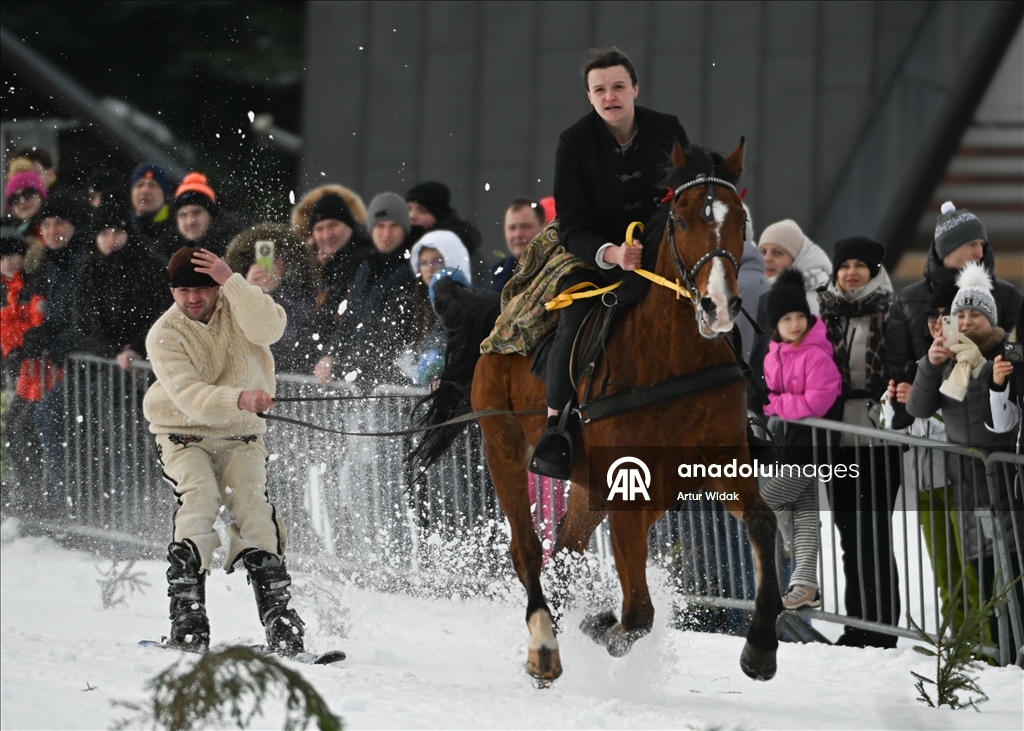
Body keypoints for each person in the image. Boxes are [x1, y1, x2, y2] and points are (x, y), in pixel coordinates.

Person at [530, 46, 689, 478]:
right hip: (596, 258)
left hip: (663, 255)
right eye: (599, 89)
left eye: (618, 86)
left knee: (709, 304)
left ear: (635, 89)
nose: (610, 96)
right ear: (589, 96)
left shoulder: (668, 129)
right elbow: (571, 226)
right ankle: (556, 428)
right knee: (575, 313)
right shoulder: (573, 143)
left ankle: (746, 414)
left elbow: (686, 195)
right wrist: (613, 253)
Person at [143, 246, 306, 654]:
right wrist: (239, 398)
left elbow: (270, 330)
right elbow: (192, 397)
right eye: (182, 291)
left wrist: (232, 279)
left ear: (216, 286)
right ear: (172, 291)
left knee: (254, 508)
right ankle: (188, 621)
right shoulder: (164, 335)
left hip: (242, 434)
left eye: (201, 289)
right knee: (199, 498)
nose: (192, 299)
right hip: (182, 432)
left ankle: (281, 623)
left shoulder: (237, 303)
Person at [907, 262, 1023, 635]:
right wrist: (929, 363)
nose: (968, 320)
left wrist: (999, 383)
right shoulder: (947, 363)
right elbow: (918, 409)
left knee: (1013, 574)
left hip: (1004, 479)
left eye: (976, 313)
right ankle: (997, 656)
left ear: (991, 320)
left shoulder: (1006, 357)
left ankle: (1013, 656)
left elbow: (1005, 421)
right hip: (967, 484)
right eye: (961, 314)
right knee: (984, 573)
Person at [883, 277, 983, 636]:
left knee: (975, 573)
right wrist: (899, 405)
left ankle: (988, 653)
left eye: (947, 314)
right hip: (925, 483)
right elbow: (894, 429)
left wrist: (921, 406)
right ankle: (958, 649)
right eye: (931, 316)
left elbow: (966, 424)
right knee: (946, 576)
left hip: (963, 482)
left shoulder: (973, 360)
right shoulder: (919, 362)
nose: (939, 322)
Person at [817, 236, 901, 648]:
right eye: (844, 264)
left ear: (873, 270)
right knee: (849, 533)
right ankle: (857, 624)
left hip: (879, 435)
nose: (851, 272)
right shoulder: (821, 312)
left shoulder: (892, 311)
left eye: (860, 265)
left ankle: (883, 626)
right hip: (837, 437)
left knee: (876, 532)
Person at [885, 201, 1022, 410]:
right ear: (948, 248)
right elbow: (895, 368)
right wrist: (913, 390)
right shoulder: (906, 299)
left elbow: (1018, 357)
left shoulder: (1008, 295)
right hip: (925, 424)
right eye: (972, 245)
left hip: (993, 420)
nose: (980, 253)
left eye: (981, 245)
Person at [760, 268, 842, 610]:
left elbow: (817, 400)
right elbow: (766, 393)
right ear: (775, 325)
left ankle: (794, 546)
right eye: (786, 319)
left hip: (812, 445)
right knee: (804, 509)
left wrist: (777, 406)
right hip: (789, 443)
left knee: (766, 496)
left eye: (799, 316)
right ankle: (806, 584)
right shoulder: (773, 355)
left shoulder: (816, 353)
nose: (795, 324)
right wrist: (773, 407)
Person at [19, 193, 90, 511]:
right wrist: (38, 336)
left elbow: (83, 319)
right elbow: (53, 315)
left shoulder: (83, 261)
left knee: (49, 417)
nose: (52, 229)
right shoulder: (49, 264)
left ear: (75, 225)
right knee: (20, 423)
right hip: (57, 366)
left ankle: (63, 503)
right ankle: (34, 499)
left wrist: (59, 340)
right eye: (45, 224)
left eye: (59, 222)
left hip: (86, 366)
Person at [314, 192, 420, 387]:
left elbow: (389, 339)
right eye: (380, 226)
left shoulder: (412, 272)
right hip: (361, 382)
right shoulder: (367, 268)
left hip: (388, 388)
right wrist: (330, 354)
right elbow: (350, 319)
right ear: (371, 229)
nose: (386, 234)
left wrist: (340, 368)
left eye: (394, 226)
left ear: (405, 229)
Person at [72, 200, 170, 368]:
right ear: (95, 237)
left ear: (128, 233)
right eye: (104, 233)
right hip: (103, 365)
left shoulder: (151, 266)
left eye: (117, 231)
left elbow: (162, 313)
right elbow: (81, 325)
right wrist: (112, 351)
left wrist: (137, 347)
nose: (111, 239)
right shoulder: (87, 270)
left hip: (148, 362)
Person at [225, 223, 318, 374]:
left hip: (290, 372)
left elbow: (290, 333)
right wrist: (247, 290)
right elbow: (231, 330)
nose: (267, 263)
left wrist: (273, 293)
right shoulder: (236, 285)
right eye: (261, 256)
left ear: (287, 260)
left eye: (276, 257)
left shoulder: (301, 288)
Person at [290, 187, 373, 355]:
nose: (327, 235)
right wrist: (311, 265)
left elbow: (326, 321)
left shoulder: (364, 259)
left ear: (350, 225)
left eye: (333, 225)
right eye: (319, 229)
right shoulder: (326, 263)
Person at [407, 229, 472, 385]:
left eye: (437, 261)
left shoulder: (469, 306)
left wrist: (434, 372)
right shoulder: (413, 303)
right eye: (423, 262)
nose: (429, 268)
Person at [406, 181, 488, 284]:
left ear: (438, 215)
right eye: (408, 209)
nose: (412, 216)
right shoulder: (402, 246)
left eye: (423, 211)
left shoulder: (463, 251)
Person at [156, 172, 247, 260]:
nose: (190, 221)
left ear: (211, 215)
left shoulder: (239, 246)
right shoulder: (164, 249)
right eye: (183, 215)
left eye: (196, 213)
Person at [492, 198, 544, 292]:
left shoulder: (560, 268)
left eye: (525, 226)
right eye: (511, 228)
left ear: (544, 227)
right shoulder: (493, 277)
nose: (518, 234)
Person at [129, 163, 175, 241]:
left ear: (164, 193)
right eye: (139, 185)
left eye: (152, 185)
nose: (145, 191)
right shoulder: (123, 227)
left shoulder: (175, 230)